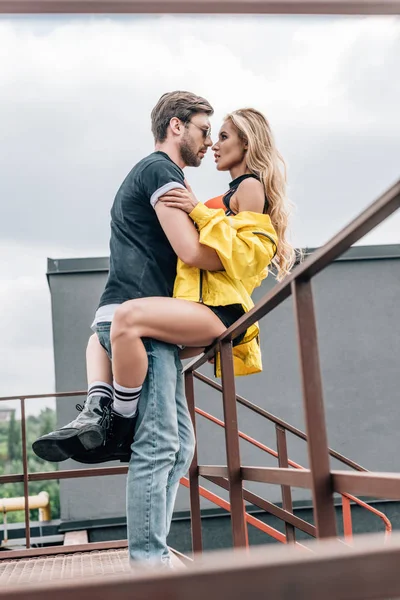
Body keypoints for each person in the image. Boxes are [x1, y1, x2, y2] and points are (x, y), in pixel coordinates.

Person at [33, 99, 294, 566]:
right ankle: (110, 416)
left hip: (216, 308)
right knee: (176, 443)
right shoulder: (180, 178)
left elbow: (234, 253)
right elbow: (199, 249)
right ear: (177, 127)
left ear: (248, 145)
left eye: (223, 134)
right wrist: (200, 208)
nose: (212, 141)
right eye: (206, 130)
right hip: (187, 309)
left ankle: (114, 419)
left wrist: (197, 207)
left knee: (123, 337)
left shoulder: (243, 188)